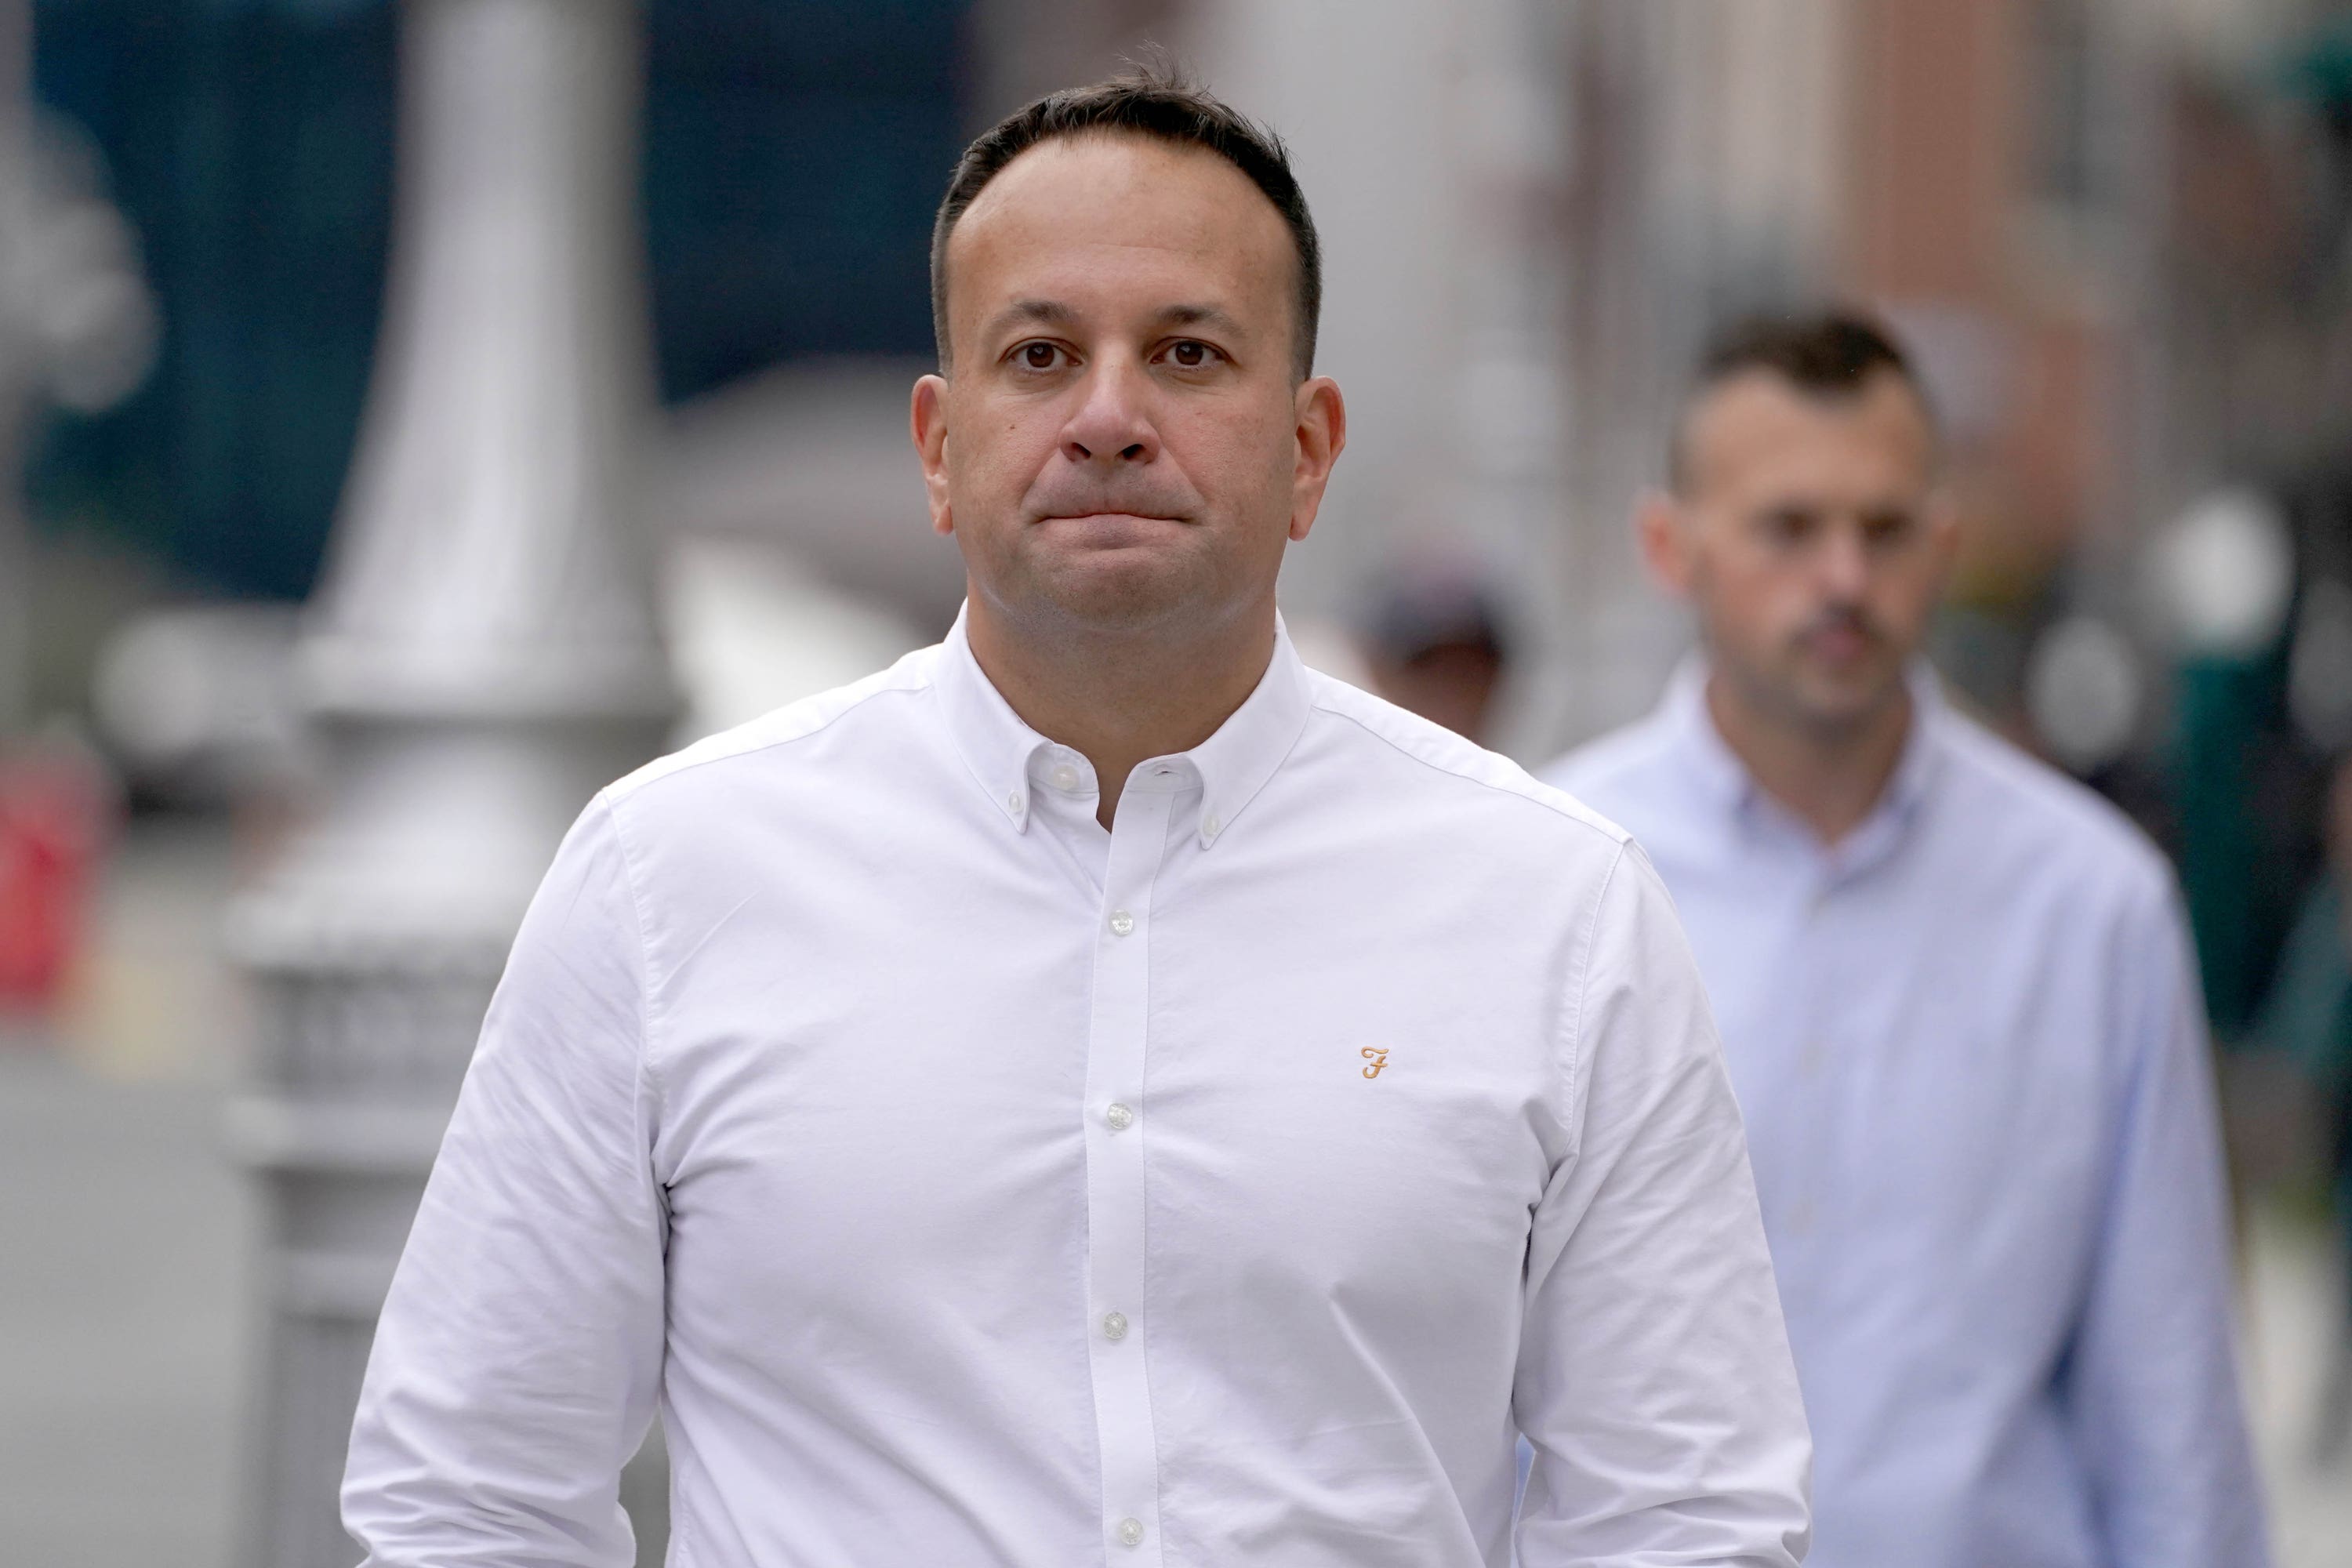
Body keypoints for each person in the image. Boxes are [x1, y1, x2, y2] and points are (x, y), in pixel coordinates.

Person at [341, 72, 1811, 1566]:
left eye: (1187, 353)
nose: (1110, 417)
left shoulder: (1557, 910)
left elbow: (1684, 1512)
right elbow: (469, 1492)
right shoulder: (668, 882)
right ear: (938, 445)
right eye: (1040, 354)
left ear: (1307, 450)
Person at [1547, 311, 2270, 1568]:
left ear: (1942, 544)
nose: (1841, 578)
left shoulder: (2092, 906)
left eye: (1882, 530)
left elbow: (2169, 1400)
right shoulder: (1550, 876)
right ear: (1673, 547)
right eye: (1788, 527)